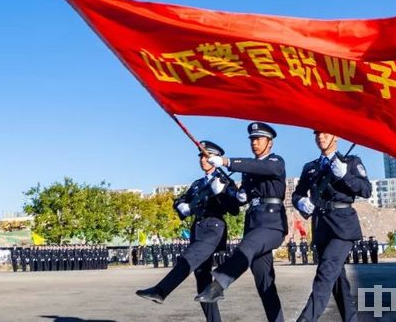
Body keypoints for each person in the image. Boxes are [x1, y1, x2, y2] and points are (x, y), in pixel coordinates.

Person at [136, 141, 240, 322]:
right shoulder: (198, 184)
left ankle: (161, 291)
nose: (202, 160)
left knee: (187, 259)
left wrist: (221, 193)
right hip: (198, 229)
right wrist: (181, 206)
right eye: (200, 157)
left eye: (206, 157)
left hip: (213, 228)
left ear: (214, 159)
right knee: (202, 279)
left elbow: (235, 209)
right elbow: (181, 200)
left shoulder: (224, 180)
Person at [195, 122, 287, 322]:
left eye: (259, 139)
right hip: (253, 223)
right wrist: (228, 192)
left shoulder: (275, 161)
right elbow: (242, 198)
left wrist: (226, 161)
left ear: (270, 143)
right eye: (252, 139)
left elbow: (259, 167)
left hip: (272, 225)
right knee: (265, 283)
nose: (255, 143)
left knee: (248, 245)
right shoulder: (248, 171)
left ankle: (218, 285)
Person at [292, 130, 372, 322]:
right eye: (317, 134)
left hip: (343, 225)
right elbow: (297, 194)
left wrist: (345, 175)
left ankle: (306, 319)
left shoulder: (351, 161)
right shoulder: (310, 167)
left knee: (325, 273)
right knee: (338, 281)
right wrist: (302, 202)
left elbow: (366, 190)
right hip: (321, 226)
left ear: (336, 136)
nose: (321, 137)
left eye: (325, 133)